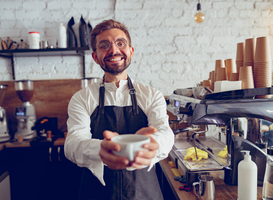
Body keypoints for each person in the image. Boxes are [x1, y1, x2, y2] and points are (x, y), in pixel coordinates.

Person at [64, 19, 174, 200]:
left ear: (130, 51)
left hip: (144, 193)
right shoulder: (81, 98)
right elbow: (72, 144)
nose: (114, 50)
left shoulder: (152, 95)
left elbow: (164, 133)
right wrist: (100, 148)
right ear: (95, 56)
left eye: (120, 43)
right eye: (104, 45)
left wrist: (151, 144)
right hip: (97, 193)